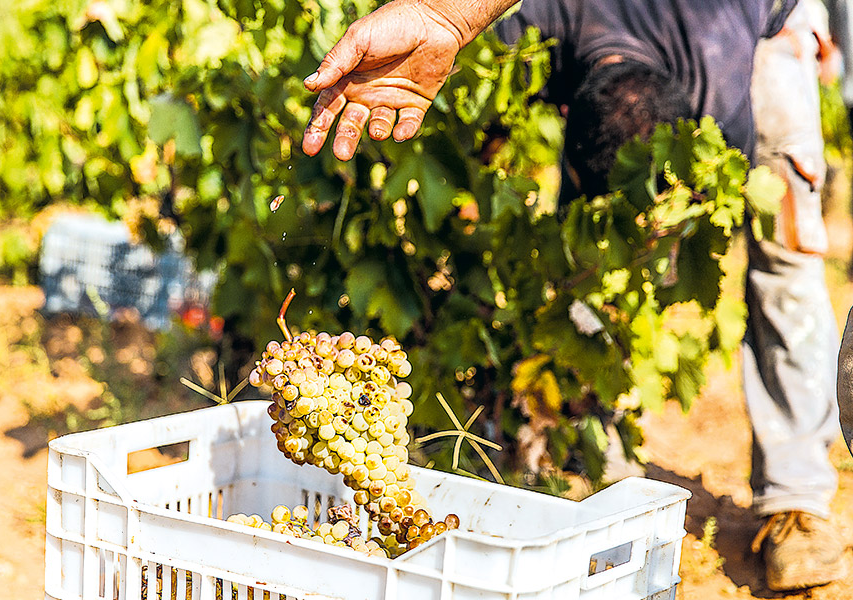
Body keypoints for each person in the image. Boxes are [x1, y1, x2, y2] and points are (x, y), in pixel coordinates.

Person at [301, 0, 847, 591]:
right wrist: (443, 21)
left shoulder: (724, 82)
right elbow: (474, 55)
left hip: (768, 38)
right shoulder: (536, 16)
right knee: (583, 258)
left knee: (787, 261)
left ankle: (797, 505)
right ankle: (594, 455)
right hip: (628, 69)